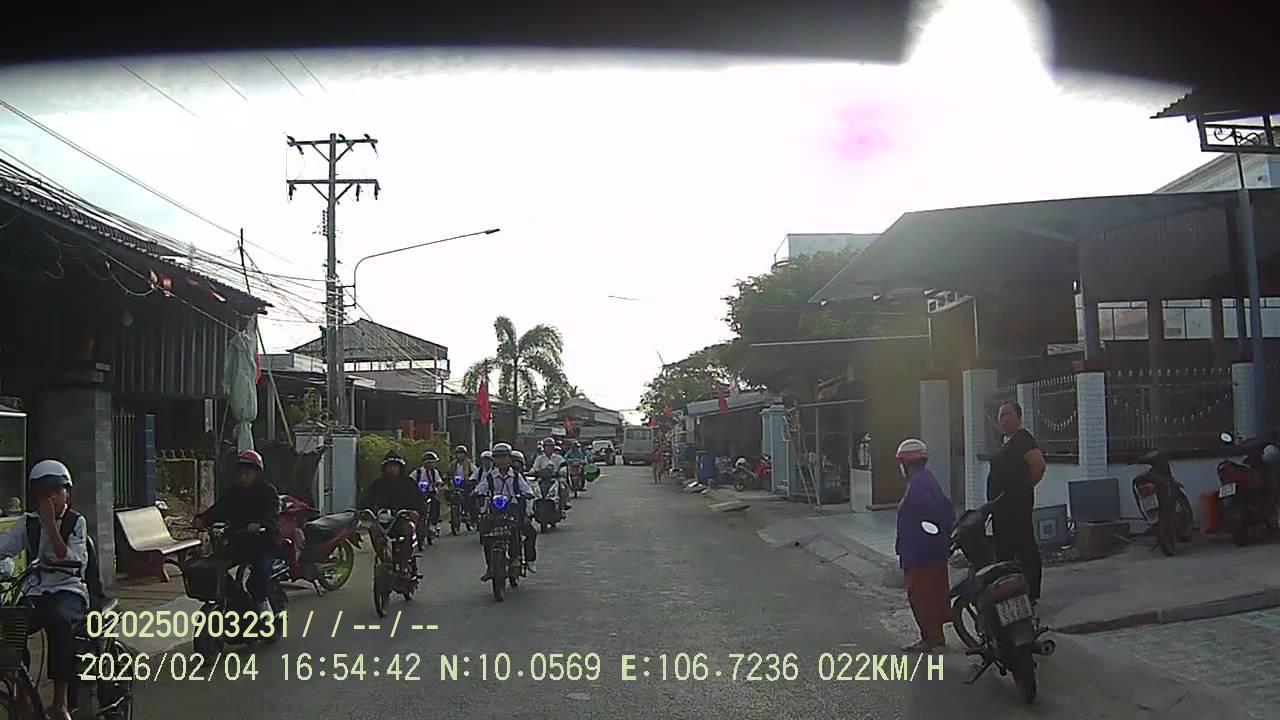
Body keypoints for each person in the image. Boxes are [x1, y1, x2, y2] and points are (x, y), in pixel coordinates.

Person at [0, 460, 89, 719]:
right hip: (37, 589)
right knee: (13, 623)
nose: (51, 499)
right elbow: (5, 547)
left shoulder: (75, 522)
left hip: (69, 589)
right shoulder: (28, 523)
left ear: (67, 493)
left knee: (59, 622)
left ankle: (60, 702)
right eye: (44, 493)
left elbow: (65, 555)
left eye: (57, 491)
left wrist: (50, 524)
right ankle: (21, 694)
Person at [194, 450, 280, 616]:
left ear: (257, 473)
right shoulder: (233, 492)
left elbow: (272, 515)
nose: (243, 477)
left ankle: (263, 604)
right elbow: (218, 510)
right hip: (238, 542)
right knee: (213, 567)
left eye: (247, 473)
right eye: (240, 473)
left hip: (263, 544)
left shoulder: (268, 492)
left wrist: (261, 525)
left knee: (260, 574)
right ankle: (235, 600)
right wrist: (203, 519)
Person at [893, 439, 955, 652]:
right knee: (932, 594)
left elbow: (934, 514)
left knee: (922, 596)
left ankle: (930, 638)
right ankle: (935, 636)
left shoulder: (918, 485)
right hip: (929, 550)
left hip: (922, 553)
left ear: (906, 463)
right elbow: (946, 510)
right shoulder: (925, 480)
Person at [987, 401, 1047, 604]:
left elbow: (1038, 466)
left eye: (1007, 414)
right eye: (1000, 415)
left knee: (1024, 547)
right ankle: (1009, 591)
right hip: (1000, 507)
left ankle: (1031, 592)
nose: (1002, 419)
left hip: (1017, 506)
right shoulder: (1004, 441)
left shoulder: (1022, 439)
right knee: (1004, 549)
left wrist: (1022, 489)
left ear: (1018, 417)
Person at [473, 443, 537, 578]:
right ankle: (490, 567)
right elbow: (482, 487)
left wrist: (527, 495)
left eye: (504, 457)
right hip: (495, 510)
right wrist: (476, 492)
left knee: (524, 531)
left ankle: (523, 559)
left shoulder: (516, 476)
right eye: (498, 457)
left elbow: (526, 489)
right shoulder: (490, 476)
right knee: (486, 536)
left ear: (509, 459)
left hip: (513, 509)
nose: (501, 461)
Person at [361, 450, 429, 544]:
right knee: (373, 529)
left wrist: (416, 511)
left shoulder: (409, 483)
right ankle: (382, 551)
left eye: (395, 466)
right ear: (384, 468)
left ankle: (406, 551)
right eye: (389, 466)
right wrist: (363, 511)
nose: (392, 469)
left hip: (403, 518)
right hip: (382, 520)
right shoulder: (377, 484)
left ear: (400, 468)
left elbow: (419, 500)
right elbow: (367, 500)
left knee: (409, 528)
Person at [410, 451, 445, 539]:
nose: (432, 465)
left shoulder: (434, 472)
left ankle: (433, 524)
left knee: (436, 503)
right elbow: (410, 481)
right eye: (431, 463)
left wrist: (438, 483)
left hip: (430, 493)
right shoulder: (417, 472)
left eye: (433, 463)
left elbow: (439, 480)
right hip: (419, 494)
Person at [531, 437, 569, 512]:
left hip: (555, 479)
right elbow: (534, 468)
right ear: (544, 447)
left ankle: (563, 506)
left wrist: (562, 472)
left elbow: (563, 466)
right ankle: (532, 509)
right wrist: (532, 472)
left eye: (551, 446)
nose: (549, 448)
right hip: (542, 480)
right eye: (547, 446)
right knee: (532, 489)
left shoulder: (558, 458)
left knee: (563, 487)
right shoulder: (539, 458)